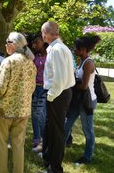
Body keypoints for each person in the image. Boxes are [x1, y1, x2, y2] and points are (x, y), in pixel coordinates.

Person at [0, 32, 36, 173]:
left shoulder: (8, 61)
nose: (5, 45)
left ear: (14, 44)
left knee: (2, 144)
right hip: (23, 110)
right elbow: (32, 88)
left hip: (5, 110)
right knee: (18, 145)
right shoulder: (30, 62)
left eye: (7, 42)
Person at [41, 21, 75, 173]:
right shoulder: (59, 48)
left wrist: (50, 96)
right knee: (51, 129)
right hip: (60, 93)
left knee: (56, 132)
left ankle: (55, 168)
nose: (42, 36)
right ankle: (49, 161)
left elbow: (60, 78)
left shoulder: (56, 49)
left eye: (43, 33)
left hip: (58, 94)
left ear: (46, 33)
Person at [64, 35, 100, 165]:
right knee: (66, 125)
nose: (74, 50)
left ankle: (87, 157)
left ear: (83, 49)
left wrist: (70, 84)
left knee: (87, 130)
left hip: (87, 101)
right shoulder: (82, 60)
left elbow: (84, 86)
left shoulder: (88, 63)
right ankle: (57, 151)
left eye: (76, 48)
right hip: (78, 99)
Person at [31, 34, 48, 152]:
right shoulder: (34, 56)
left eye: (37, 42)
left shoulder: (50, 56)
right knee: (34, 114)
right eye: (34, 42)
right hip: (34, 88)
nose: (35, 45)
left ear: (43, 42)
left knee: (40, 114)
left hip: (45, 89)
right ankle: (36, 139)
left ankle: (43, 140)